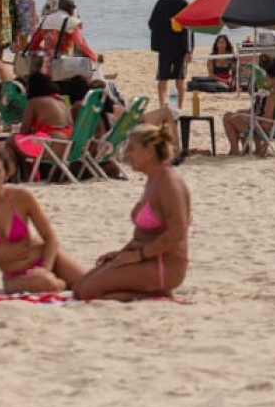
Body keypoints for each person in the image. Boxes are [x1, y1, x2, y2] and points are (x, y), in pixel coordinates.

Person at [73, 123, 191, 301]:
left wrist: (139, 255)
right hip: (146, 257)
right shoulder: (154, 179)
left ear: (150, 150)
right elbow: (144, 234)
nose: (127, 155)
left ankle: (150, 293)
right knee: (81, 286)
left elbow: (176, 232)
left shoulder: (169, 183)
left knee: (87, 292)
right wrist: (122, 253)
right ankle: (147, 293)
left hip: (163, 264)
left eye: (131, 149)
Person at [0, 146, 84, 293]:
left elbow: (50, 237)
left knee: (91, 287)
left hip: (45, 259)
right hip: (14, 276)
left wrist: (45, 269)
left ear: (7, 174)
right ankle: (62, 285)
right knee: (48, 283)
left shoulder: (22, 198)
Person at [224, 56, 275, 156]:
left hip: (263, 130)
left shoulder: (274, 96)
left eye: (267, 76)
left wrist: (253, 118)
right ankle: (252, 148)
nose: (265, 78)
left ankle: (235, 151)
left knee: (227, 117)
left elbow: (267, 121)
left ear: (273, 78)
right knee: (240, 113)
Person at [148, 0, 193, 109]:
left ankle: (162, 105)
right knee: (180, 78)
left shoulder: (161, 2)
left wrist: (159, 40)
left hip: (164, 47)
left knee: (163, 77)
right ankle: (179, 107)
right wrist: (189, 50)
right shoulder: (184, 4)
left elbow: (152, 23)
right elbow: (188, 28)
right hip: (180, 47)